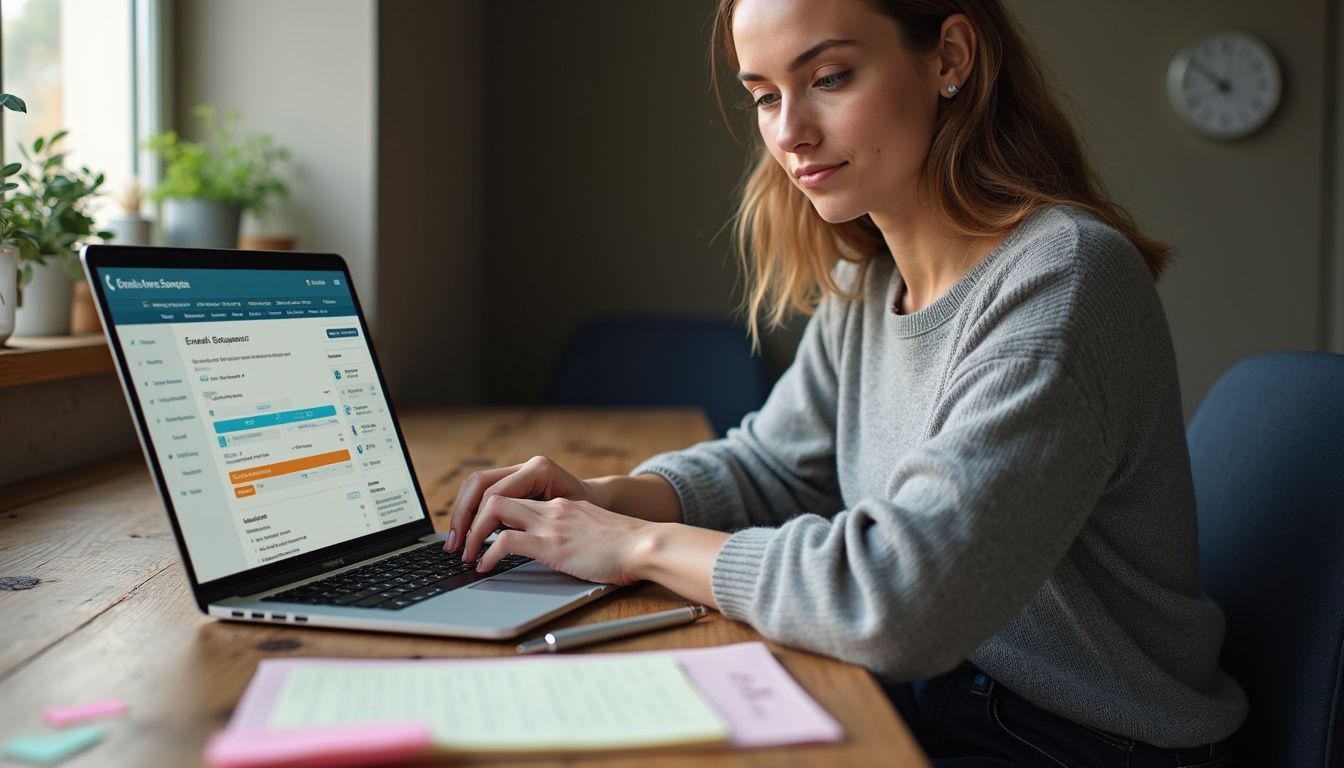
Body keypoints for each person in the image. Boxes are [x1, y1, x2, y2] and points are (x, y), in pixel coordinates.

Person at [445, 0, 1247, 763]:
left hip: (1086, 737)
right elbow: (775, 463)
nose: (789, 133)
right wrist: (608, 496)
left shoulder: (1063, 279)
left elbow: (901, 600)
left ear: (952, 58)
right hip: (942, 691)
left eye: (828, 78)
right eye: (763, 96)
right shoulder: (871, 279)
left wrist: (638, 545)